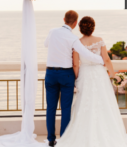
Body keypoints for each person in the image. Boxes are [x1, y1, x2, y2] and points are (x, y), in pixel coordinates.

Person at [44, 11, 121, 147]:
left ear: (64, 19)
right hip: (67, 75)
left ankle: (51, 139)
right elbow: (87, 55)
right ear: (75, 23)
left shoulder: (52, 31)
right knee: (66, 108)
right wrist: (101, 61)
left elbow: (47, 45)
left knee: (51, 107)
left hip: (50, 73)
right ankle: (64, 138)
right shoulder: (73, 39)